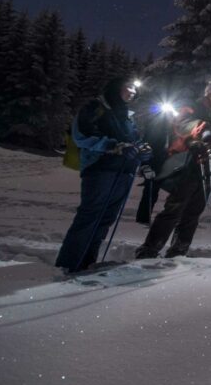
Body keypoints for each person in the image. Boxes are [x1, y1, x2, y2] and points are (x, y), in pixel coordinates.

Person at [55, 78, 150, 273]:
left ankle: (88, 261)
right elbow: (81, 136)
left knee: (106, 218)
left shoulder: (127, 116)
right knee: (91, 215)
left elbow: (134, 141)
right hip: (100, 169)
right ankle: (70, 264)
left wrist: (142, 151)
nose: (133, 92)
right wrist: (113, 146)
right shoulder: (95, 108)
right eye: (128, 87)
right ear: (116, 88)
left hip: (124, 171)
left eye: (135, 89)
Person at [134, 80, 211, 259]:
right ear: (210, 94)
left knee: (193, 213)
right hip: (188, 165)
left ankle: (178, 250)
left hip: (209, 171)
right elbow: (182, 124)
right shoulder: (195, 108)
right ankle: (149, 249)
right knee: (174, 209)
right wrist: (197, 137)